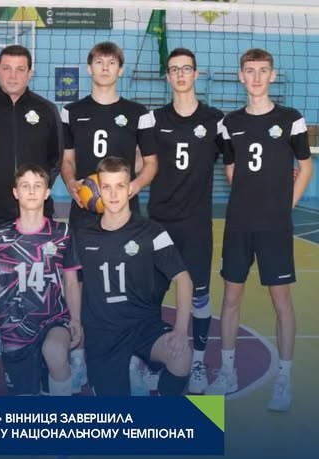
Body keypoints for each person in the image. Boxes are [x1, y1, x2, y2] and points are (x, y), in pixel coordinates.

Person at [206, 48, 313, 411]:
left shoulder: (290, 119)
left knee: (281, 301)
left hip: (274, 225)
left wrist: (287, 204)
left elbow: (305, 166)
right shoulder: (229, 123)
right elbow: (231, 168)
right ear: (241, 76)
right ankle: (228, 372)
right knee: (230, 298)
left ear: (272, 75)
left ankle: (284, 378)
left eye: (262, 70)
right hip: (239, 222)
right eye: (249, 71)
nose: (256, 77)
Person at [0, 44, 62, 394]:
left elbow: (55, 160)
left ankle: (31, 362)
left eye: (20, 68)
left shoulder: (46, 110)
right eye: (6, 68)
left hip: (35, 221)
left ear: (30, 72)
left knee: (35, 294)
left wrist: (35, 197)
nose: (12, 75)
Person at [67, 157, 192, 396]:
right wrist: (75, 320)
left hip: (144, 326)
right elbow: (72, 280)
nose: (114, 194)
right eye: (107, 187)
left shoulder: (152, 232)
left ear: (130, 189)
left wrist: (180, 330)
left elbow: (183, 279)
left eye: (120, 186)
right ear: (98, 190)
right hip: (103, 333)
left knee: (181, 356)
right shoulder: (82, 235)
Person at [148, 48, 226, 394]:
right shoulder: (153, 119)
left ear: (196, 73)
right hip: (159, 222)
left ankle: (197, 362)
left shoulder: (215, 121)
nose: (180, 74)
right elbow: (140, 163)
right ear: (167, 77)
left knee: (199, 296)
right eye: (174, 69)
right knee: (151, 296)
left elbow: (238, 161)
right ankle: (152, 361)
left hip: (195, 223)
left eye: (186, 68)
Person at [0, 164, 82, 396]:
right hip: (14, 327)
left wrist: (76, 319)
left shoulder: (62, 232)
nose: (31, 191)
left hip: (53, 319)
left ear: (47, 192)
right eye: (25, 186)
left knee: (54, 351)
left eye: (37, 186)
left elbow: (71, 281)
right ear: (16, 192)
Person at [61, 41, 158, 229]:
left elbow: (151, 163)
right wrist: (71, 182)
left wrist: (136, 185)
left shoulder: (138, 113)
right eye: (99, 62)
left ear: (120, 70)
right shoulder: (71, 111)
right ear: (89, 68)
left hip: (124, 206)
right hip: (85, 203)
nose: (105, 68)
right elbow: (67, 160)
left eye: (112, 63)